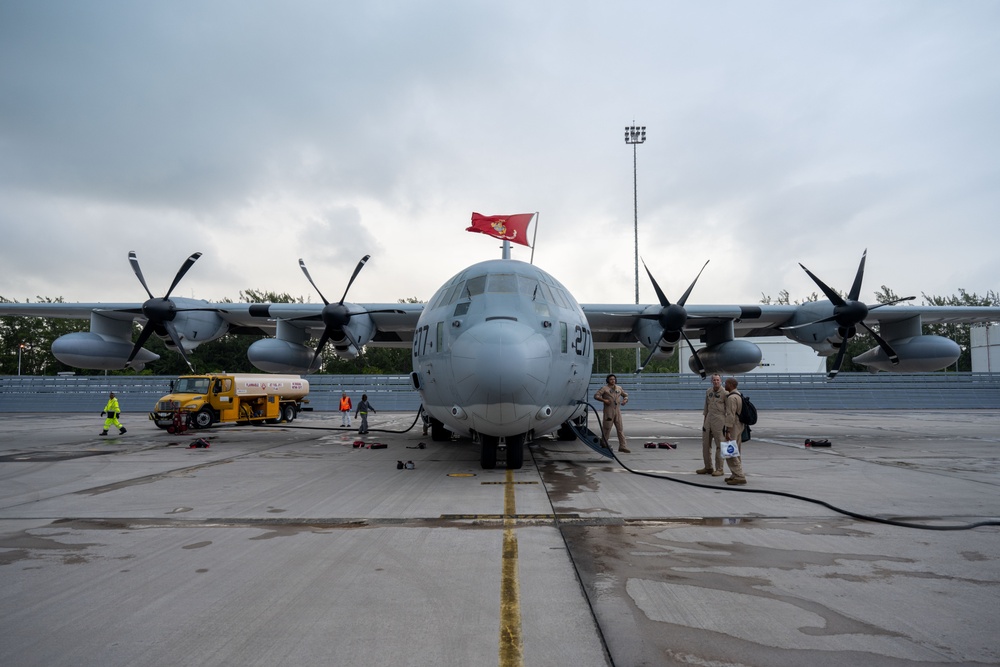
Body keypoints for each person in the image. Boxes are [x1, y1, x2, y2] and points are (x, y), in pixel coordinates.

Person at [698, 374, 727, 476]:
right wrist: (704, 422)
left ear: (721, 381)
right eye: (714, 380)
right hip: (709, 419)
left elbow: (728, 410)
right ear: (711, 381)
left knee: (720, 445)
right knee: (706, 445)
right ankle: (708, 467)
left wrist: (727, 426)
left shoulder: (725, 393)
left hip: (719, 420)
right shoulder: (708, 392)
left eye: (717, 380)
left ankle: (719, 468)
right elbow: (706, 407)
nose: (716, 382)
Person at [594, 373, 630, 453]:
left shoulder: (619, 388)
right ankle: (604, 443)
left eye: (614, 379)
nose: (612, 381)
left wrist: (625, 400)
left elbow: (625, 395)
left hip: (617, 411)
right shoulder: (604, 388)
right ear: (607, 380)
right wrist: (604, 400)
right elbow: (596, 396)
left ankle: (622, 446)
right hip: (608, 411)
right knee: (607, 428)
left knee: (620, 429)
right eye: (611, 379)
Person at [722, 377, 747, 485]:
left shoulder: (732, 398)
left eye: (726, 383)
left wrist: (728, 431)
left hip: (733, 426)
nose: (725, 385)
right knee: (736, 450)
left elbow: (730, 415)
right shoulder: (739, 395)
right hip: (739, 425)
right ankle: (735, 473)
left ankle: (740, 475)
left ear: (731, 385)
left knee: (730, 450)